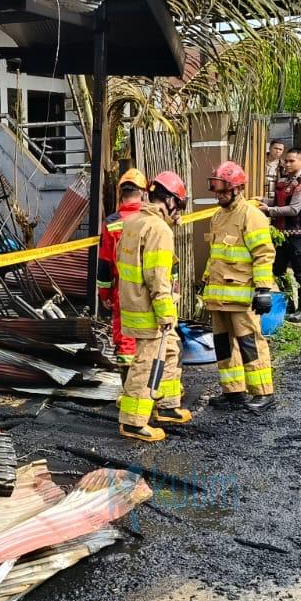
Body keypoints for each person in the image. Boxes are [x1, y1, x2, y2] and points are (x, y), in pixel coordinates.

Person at [114, 171, 190, 441]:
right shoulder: (158, 229)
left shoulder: (134, 221)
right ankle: (133, 422)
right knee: (146, 363)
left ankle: (167, 406)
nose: (178, 212)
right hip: (150, 307)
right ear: (168, 201)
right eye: (178, 205)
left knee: (169, 350)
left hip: (134, 301)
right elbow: (157, 276)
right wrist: (166, 312)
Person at [200, 161, 277, 411]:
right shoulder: (218, 217)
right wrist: (205, 281)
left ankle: (263, 393)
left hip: (242, 297)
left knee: (250, 344)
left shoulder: (251, 216)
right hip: (218, 297)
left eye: (224, 190)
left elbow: (263, 254)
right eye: (216, 189)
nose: (219, 195)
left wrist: (264, 289)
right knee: (223, 346)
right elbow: (216, 256)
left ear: (237, 189)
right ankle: (233, 392)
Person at [95, 168, 148, 365]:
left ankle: (129, 384)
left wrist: (105, 294)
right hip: (151, 287)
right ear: (143, 192)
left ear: (121, 194)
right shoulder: (152, 220)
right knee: (152, 337)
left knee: (126, 338)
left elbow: (104, 264)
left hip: (123, 289)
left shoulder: (112, 223)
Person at [266, 147, 301, 322]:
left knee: (300, 273)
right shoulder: (285, 181)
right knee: (278, 271)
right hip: (281, 236)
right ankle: (289, 306)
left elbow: (293, 209)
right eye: (286, 160)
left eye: (291, 160)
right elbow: (277, 201)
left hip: (299, 236)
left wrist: (269, 210)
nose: (287, 163)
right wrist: (261, 201)